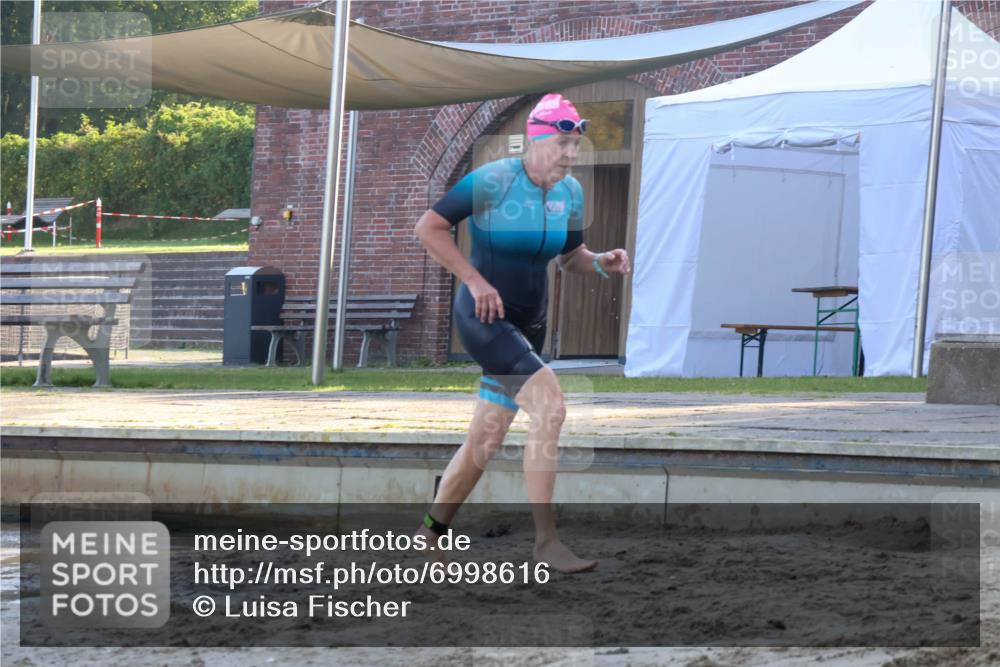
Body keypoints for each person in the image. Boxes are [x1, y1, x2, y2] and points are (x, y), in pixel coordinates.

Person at [413, 93, 630, 574]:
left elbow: (570, 256)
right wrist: (473, 280)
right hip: (486, 320)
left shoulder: (570, 193)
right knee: (551, 408)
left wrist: (599, 262)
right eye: (562, 144)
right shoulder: (493, 181)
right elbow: (429, 227)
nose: (571, 155)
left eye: (576, 146)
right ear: (535, 141)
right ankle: (546, 542)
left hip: (529, 325)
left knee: (483, 441)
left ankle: (429, 535)